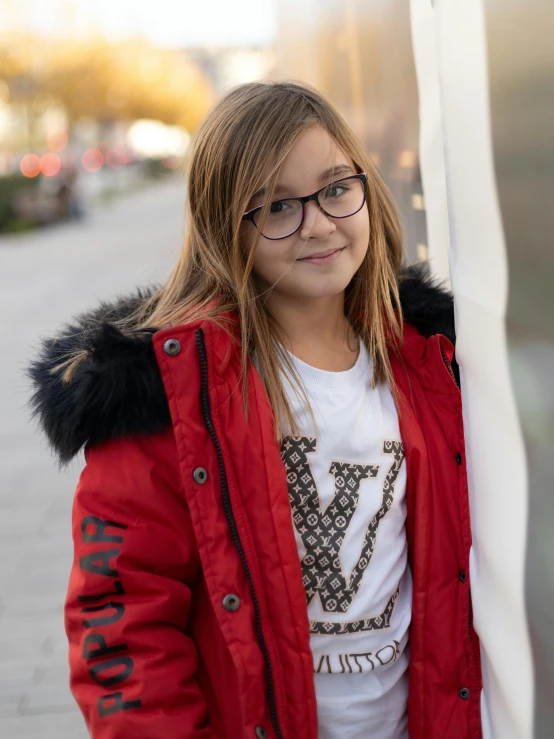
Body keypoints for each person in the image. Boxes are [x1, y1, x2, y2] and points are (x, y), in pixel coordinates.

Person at [26, 81, 482, 739]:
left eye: (333, 188)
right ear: (223, 227)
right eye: (275, 207)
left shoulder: (428, 360)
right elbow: (122, 616)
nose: (319, 223)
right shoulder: (171, 398)